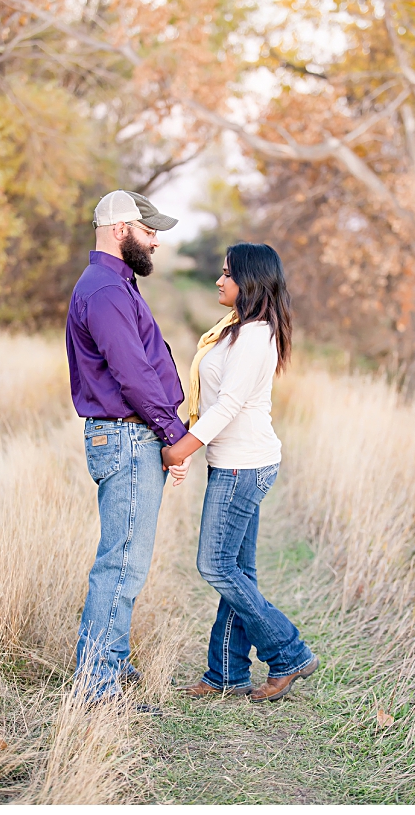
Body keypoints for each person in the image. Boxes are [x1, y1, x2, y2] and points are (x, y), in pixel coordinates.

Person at [161, 243, 318, 702]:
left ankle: (288, 651)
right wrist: (193, 446)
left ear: (248, 281)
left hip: (242, 465)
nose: (218, 280)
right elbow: (213, 401)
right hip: (236, 462)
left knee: (214, 564)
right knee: (237, 570)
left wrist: (181, 449)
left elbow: (227, 406)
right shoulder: (238, 330)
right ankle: (225, 673)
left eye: (227, 274)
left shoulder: (253, 336)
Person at [66, 189, 193, 704]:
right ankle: (97, 687)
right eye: (149, 230)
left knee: (125, 559)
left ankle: (111, 664)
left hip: (130, 434)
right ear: (122, 230)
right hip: (128, 435)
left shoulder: (116, 285)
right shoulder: (106, 291)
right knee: (121, 563)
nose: (156, 241)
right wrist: (174, 435)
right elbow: (134, 375)